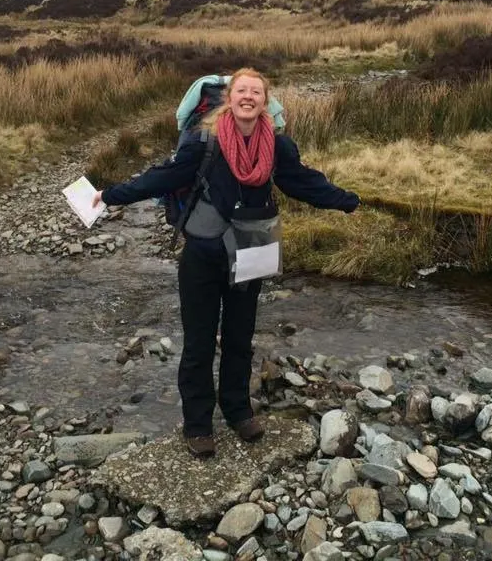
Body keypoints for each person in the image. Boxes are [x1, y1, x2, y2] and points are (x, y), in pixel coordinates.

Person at [92, 68, 359, 458]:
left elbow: (302, 181)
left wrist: (345, 200)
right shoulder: (204, 141)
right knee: (199, 342)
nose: (248, 97)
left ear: (265, 102)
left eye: (256, 92)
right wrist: (111, 195)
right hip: (202, 253)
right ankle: (198, 424)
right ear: (230, 98)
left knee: (239, 338)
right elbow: (163, 177)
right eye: (242, 91)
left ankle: (238, 411)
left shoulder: (278, 147)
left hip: (252, 250)